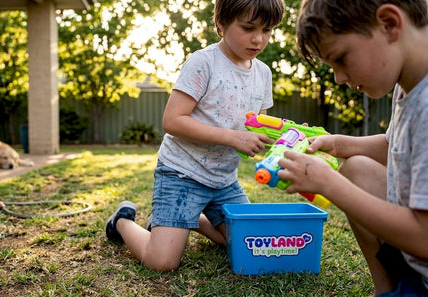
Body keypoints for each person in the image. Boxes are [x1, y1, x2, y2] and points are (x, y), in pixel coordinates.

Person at [105, 0, 285, 272]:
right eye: (248, 28)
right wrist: (233, 138)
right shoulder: (204, 62)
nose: (259, 39)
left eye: (268, 30)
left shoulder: (263, 73)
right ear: (221, 24)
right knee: (162, 262)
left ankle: (188, 221)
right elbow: (173, 120)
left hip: (224, 181)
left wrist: (290, 134)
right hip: (182, 173)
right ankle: (121, 221)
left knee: (251, 243)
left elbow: (258, 128)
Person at [277, 0, 428, 296]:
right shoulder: (409, 81)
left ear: (389, 24)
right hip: (417, 268)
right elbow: (399, 148)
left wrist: (328, 183)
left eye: (341, 58)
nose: (339, 77)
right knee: (357, 168)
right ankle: (386, 288)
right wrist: (338, 144)